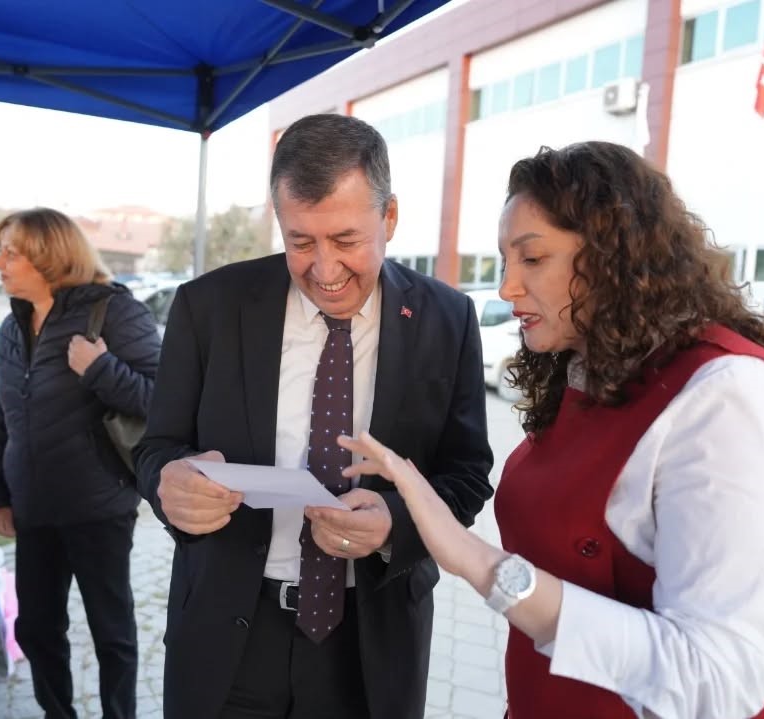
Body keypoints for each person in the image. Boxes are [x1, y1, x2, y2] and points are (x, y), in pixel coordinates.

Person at [338, 141, 764, 719]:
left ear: (612, 256)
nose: (506, 289)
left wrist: (477, 560)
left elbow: (721, 679)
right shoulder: (596, 372)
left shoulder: (731, 400)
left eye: (533, 259)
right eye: (504, 262)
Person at [133, 113, 494, 719]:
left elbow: (467, 472)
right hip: (229, 638)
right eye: (301, 242)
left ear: (391, 218)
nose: (324, 271)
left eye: (346, 241)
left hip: (371, 644)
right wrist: (168, 483)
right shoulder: (208, 307)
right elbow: (157, 447)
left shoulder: (447, 320)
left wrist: (396, 524)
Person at [0, 208, 160, 719]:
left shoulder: (116, 313)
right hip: (34, 508)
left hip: (99, 505)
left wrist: (101, 369)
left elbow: (166, 400)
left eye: (11, 252)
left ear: (50, 257)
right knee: (35, 629)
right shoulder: (10, 330)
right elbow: (0, 420)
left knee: (111, 632)